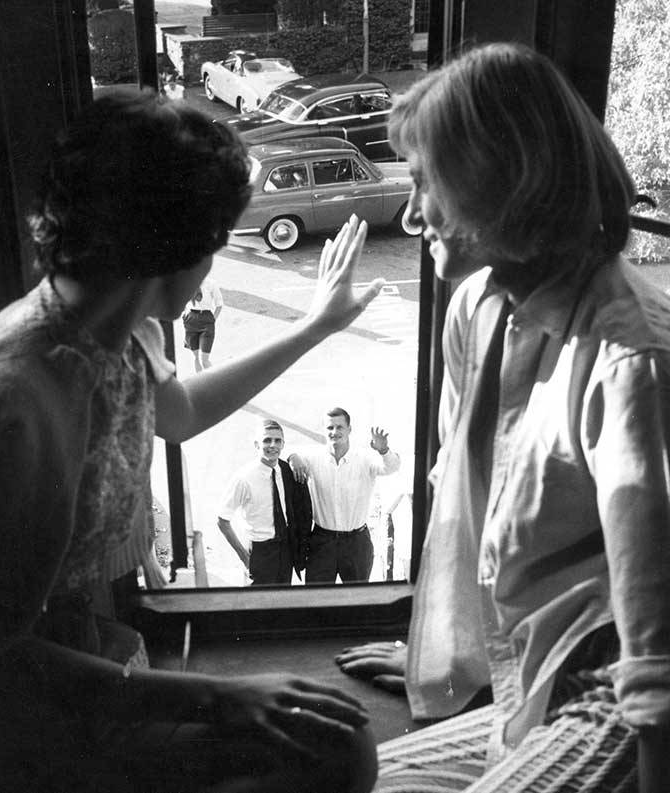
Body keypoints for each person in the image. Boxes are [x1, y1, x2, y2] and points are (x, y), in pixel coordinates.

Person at [0, 87, 383, 793]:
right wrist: (216, 694)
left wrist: (315, 325)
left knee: (338, 744)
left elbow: (180, 413)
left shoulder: (126, 326)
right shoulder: (9, 401)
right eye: (217, 239)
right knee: (334, 754)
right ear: (176, 246)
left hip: (93, 661)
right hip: (10, 721)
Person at [334, 43, 670, 792]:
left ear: (499, 181)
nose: (410, 212)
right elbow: (476, 511)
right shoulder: (477, 309)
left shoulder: (630, 361)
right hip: (529, 695)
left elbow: (657, 654)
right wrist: (444, 653)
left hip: (610, 707)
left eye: (427, 184)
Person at [288, 408, 400, 584]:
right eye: (330, 428)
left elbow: (391, 468)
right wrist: (293, 457)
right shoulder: (313, 457)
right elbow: (288, 452)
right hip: (322, 542)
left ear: (349, 429)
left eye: (340, 427)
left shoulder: (365, 458)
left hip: (356, 542)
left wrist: (384, 450)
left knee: (357, 600)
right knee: (317, 599)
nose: (335, 432)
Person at [217, 419, 312, 585]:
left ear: (283, 444)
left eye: (277, 441)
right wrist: (243, 556)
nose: (272, 445)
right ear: (256, 444)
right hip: (260, 550)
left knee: (282, 602)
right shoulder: (244, 478)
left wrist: (293, 456)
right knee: (260, 603)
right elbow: (222, 520)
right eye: (267, 440)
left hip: (285, 549)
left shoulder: (285, 470)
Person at [183, 275, 223, 371]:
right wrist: (185, 315)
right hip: (191, 319)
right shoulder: (187, 283)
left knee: (204, 359)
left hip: (206, 319)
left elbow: (219, 304)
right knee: (196, 357)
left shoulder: (211, 283)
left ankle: (215, 381)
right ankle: (200, 382)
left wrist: (212, 320)